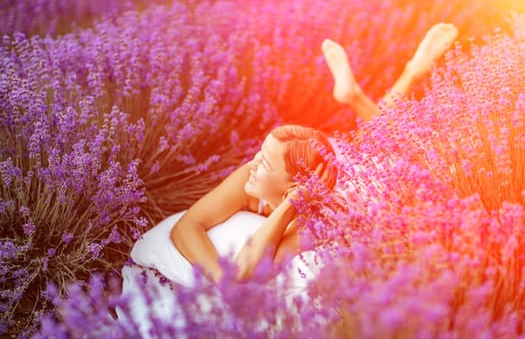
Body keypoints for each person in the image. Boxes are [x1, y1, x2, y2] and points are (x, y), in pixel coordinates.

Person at [123, 20, 458, 291]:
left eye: (265, 162)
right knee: (373, 137)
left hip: (357, 190)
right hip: (323, 159)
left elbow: (247, 271)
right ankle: (360, 92)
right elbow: (187, 227)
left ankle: (397, 76)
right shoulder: (251, 174)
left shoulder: (315, 220)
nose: (252, 164)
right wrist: (217, 276)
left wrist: (288, 208)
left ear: (292, 187)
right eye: (259, 154)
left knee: (395, 145)